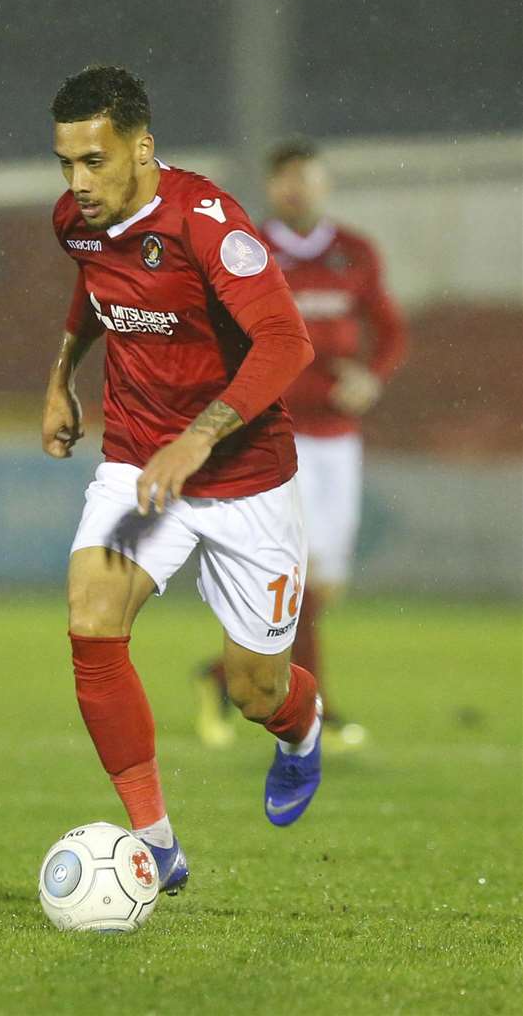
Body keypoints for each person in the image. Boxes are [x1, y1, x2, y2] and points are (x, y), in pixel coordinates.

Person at [40, 66, 322, 894]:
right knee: (91, 618)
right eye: (64, 163)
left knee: (253, 688)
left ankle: (299, 730)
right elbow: (92, 291)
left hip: (244, 478)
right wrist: (59, 377)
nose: (76, 183)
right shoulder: (77, 223)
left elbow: (285, 342)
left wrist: (197, 442)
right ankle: (155, 844)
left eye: (93, 161)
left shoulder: (207, 225)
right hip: (137, 465)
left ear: (141, 148)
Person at [194, 139, 407, 750]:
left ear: (324, 185)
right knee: (302, 579)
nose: (297, 190)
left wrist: (373, 374)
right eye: (285, 181)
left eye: (306, 180)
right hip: (278, 434)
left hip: (339, 438)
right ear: (272, 188)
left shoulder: (354, 252)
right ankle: (313, 706)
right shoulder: (247, 250)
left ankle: (219, 677)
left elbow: (389, 328)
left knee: (324, 584)